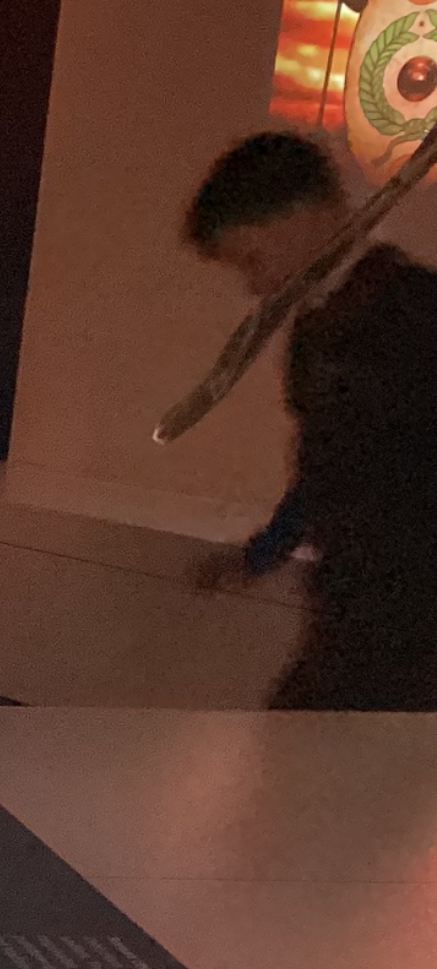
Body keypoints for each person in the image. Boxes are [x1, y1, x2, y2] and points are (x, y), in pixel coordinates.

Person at [187, 132, 437, 710]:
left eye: (252, 259)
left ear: (307, 214)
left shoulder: (416, 312)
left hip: (411, 619)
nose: (254, 284)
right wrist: (265, 551)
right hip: (357, 605)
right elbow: (325, 465)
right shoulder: (315, 327)